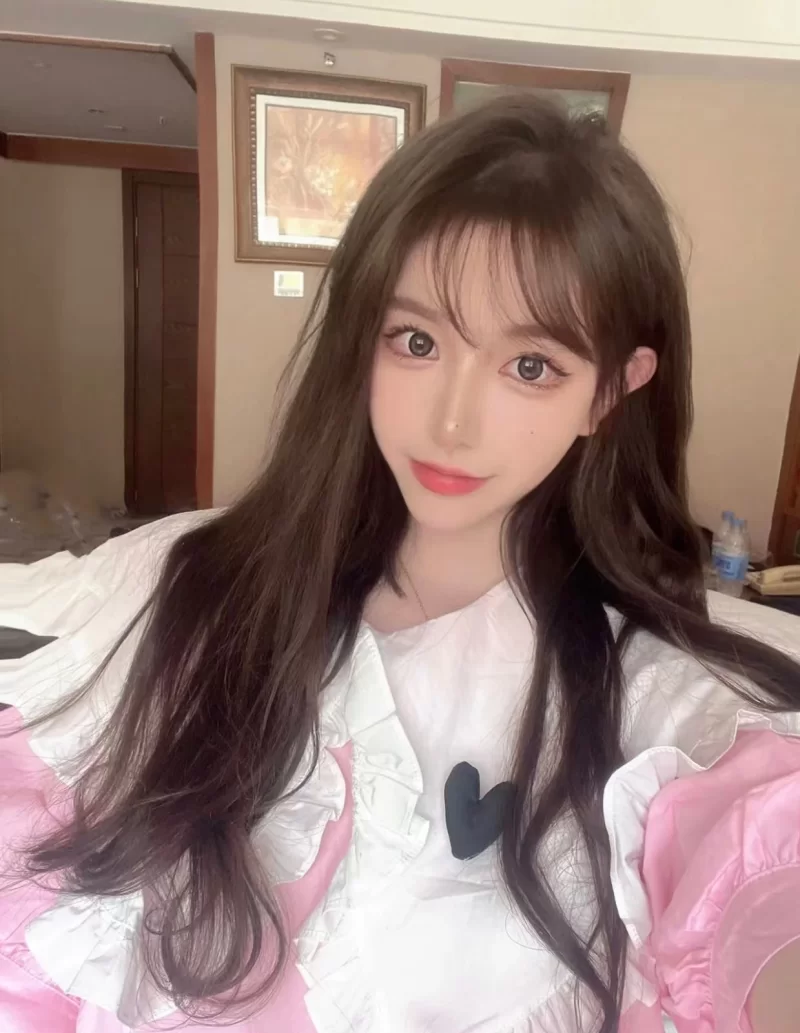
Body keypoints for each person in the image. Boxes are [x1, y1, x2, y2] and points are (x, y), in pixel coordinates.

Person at [1, 96, 799, 1033]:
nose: (451, 422)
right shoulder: (202, 579)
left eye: (531, 366)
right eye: (417, 341)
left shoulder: (651, 695)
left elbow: (755, 871)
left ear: (609, 393)